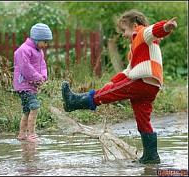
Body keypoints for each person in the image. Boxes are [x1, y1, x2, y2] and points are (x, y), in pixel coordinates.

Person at [61, 9, 177, 164]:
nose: (123, 34)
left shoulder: (142, 33)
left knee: (108, 94)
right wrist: (114, 81)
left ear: (134, 25)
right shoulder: (136, 48)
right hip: (150, 86)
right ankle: (151, 156)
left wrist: (166, 26)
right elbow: (128, 70)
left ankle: (74, 102)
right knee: (143, 120)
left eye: (124, 30)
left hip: (142, 82)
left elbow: (154, 30)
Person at [13, 23, 53, 142]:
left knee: (27, 110)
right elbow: (26, 67)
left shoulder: (39, 51)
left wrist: (43, 77)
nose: (46, 45)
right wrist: (37, 78)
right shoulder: (23, 50)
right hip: (24, 85)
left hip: (32, 85)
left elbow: (43, 66)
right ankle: (32, 134)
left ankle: (22, 134)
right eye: (45, 42)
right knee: (35, 107)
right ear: (37, 39)